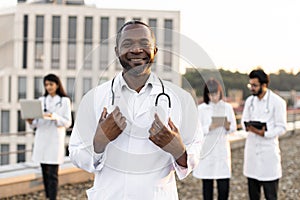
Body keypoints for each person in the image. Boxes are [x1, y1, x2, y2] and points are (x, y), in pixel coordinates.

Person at [68, 20, 201, 199]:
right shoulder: (93, 98)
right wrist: (99, 144)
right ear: (117, 51)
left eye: (144, 44)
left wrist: (178, 150)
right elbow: (75, 151)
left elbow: (196, 149)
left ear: (155, 50)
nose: (136, 50)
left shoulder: (181, 100)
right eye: (128, 44)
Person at [241, 68, 287, 200]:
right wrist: (251, 127)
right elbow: (244, 121)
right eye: (250, 85)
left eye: (255, 85)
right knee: (253, 195)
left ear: (264, 85)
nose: (252, 88)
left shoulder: (278, 102)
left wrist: (265, 133)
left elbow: (282, 127)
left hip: (268, 156)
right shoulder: (249, 101)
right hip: (252, 156)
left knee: (271, 195)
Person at [26, 74, 72, 200]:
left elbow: (68, 123)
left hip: (54, 140)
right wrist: (30, 121)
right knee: (44, 172)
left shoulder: (64, 101)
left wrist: (54, 117)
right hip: (42, 139)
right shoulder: (41, 100)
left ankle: (53, 197)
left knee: (53, 174)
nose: (48, 87)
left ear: (57, 85)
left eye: (51, 84)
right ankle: (48, 197)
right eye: (46, 85)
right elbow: (36, 123)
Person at [193, 78, 237, 200]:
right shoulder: (201, 109)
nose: (214, 97)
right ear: (207, 95)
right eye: (211, 94)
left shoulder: (227, 107)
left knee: (223, 187)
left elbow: (233, 128)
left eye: (215, 94)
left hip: (221, 149)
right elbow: (196, 131)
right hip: (207, 150)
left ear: (220, 92)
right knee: (207, 186)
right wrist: (210, 127)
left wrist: (227, 126)